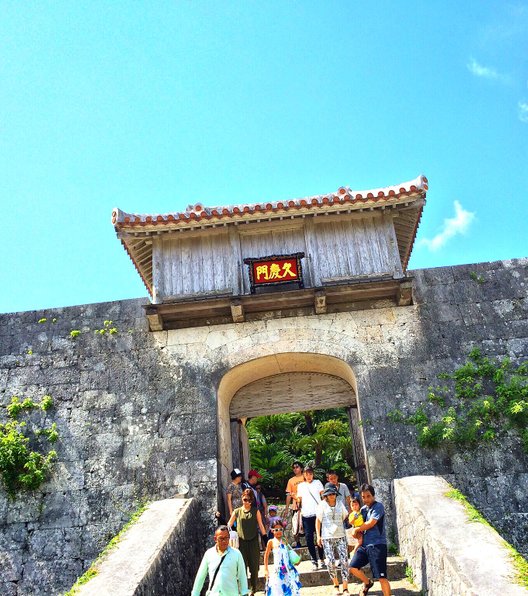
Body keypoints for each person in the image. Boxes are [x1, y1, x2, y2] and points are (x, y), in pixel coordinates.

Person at [349, 483, 391, 596]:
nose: (366, 499)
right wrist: (355, 532)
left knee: (382, 577)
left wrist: (357, 529)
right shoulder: (362, 510)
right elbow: (355, 523)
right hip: (364, 546)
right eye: (363, 497)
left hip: (377, 545)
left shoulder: (379, 507)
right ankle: (367, 583)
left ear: (373, 496)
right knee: (352, 567)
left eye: (368, 496)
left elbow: (371, 523)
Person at [228, 488, 268, 596]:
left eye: (249, 500)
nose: (247, 502)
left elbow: (260, 525)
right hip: (241, 543)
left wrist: (266, 539)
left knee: (254, 568)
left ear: (252, 501)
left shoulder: (256, 511)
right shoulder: (237, 512)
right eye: (245, 499)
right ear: (242, 498)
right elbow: (228, 525)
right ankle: (244, 590)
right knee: (242, 568)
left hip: (253, 542)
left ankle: (254, 589)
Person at [191, 525, 249, 596]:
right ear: (215, 539)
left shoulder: (236, 554)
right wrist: (195, 593)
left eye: (226, 538)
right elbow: (200, 576)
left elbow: (242, 575)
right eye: (221, 538)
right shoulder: (209, 554)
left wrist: (244, 593)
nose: (224, 541)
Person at [316, 484, 350, 595]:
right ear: (326, 495)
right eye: (329, 494)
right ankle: (335, 584)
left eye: (333, 494)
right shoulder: (322, 505)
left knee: (344, 561)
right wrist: (318, 536)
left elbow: (345, 516)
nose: (331, 496)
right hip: (327, 536)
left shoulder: (340, 504)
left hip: (340, 536)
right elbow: (318, 521)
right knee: (330, 562)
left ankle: (345, 588)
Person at [296, 466, 325, 570]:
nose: (308, 476)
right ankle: (314, 559)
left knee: (320, 536)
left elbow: (323, 495)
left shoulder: (317, 483)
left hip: (318, 514)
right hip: (306, 515)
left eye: (310, 474)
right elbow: (299, 499)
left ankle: (321, 559)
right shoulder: (301, 486)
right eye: (306, 474)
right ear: (304, 474)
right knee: (309, 538)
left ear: (313, 474)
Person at [264, 519, 302, 596]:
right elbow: (266, 555)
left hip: (287, 569)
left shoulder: (285, 540)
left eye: (281, 529)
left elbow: (289, 553)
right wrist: (266, 569)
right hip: (277, 570)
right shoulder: (271, 542)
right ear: (272, 531)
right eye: (276, 529)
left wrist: (295, 560)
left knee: (290, 589)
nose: (279, 531)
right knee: (277, 589)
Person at [284, 461, 305, 548]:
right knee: (295, 524)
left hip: (306, 505)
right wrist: (286, 508)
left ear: (301, 468)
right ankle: (298, 543)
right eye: (293, 467)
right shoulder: (291, 480)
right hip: (296, 506)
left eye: (297, 467)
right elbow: (288, 495)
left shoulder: (305, 477)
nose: (295, 469)